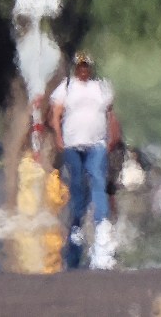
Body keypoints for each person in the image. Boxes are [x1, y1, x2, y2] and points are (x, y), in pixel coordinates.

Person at [50, 51, 120, 270]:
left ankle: (102, 230)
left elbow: (110, 114)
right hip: (72, 145)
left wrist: (113, 137)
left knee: (98, 182)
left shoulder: (100, 87)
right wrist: (59, 138)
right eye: (79, 66)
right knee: (78, 188)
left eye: (86, 66)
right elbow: (55, 114)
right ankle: (76, 231)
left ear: (90, 67)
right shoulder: (66, 86)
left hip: (96, 144)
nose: (83, 69)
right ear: (75, 67)